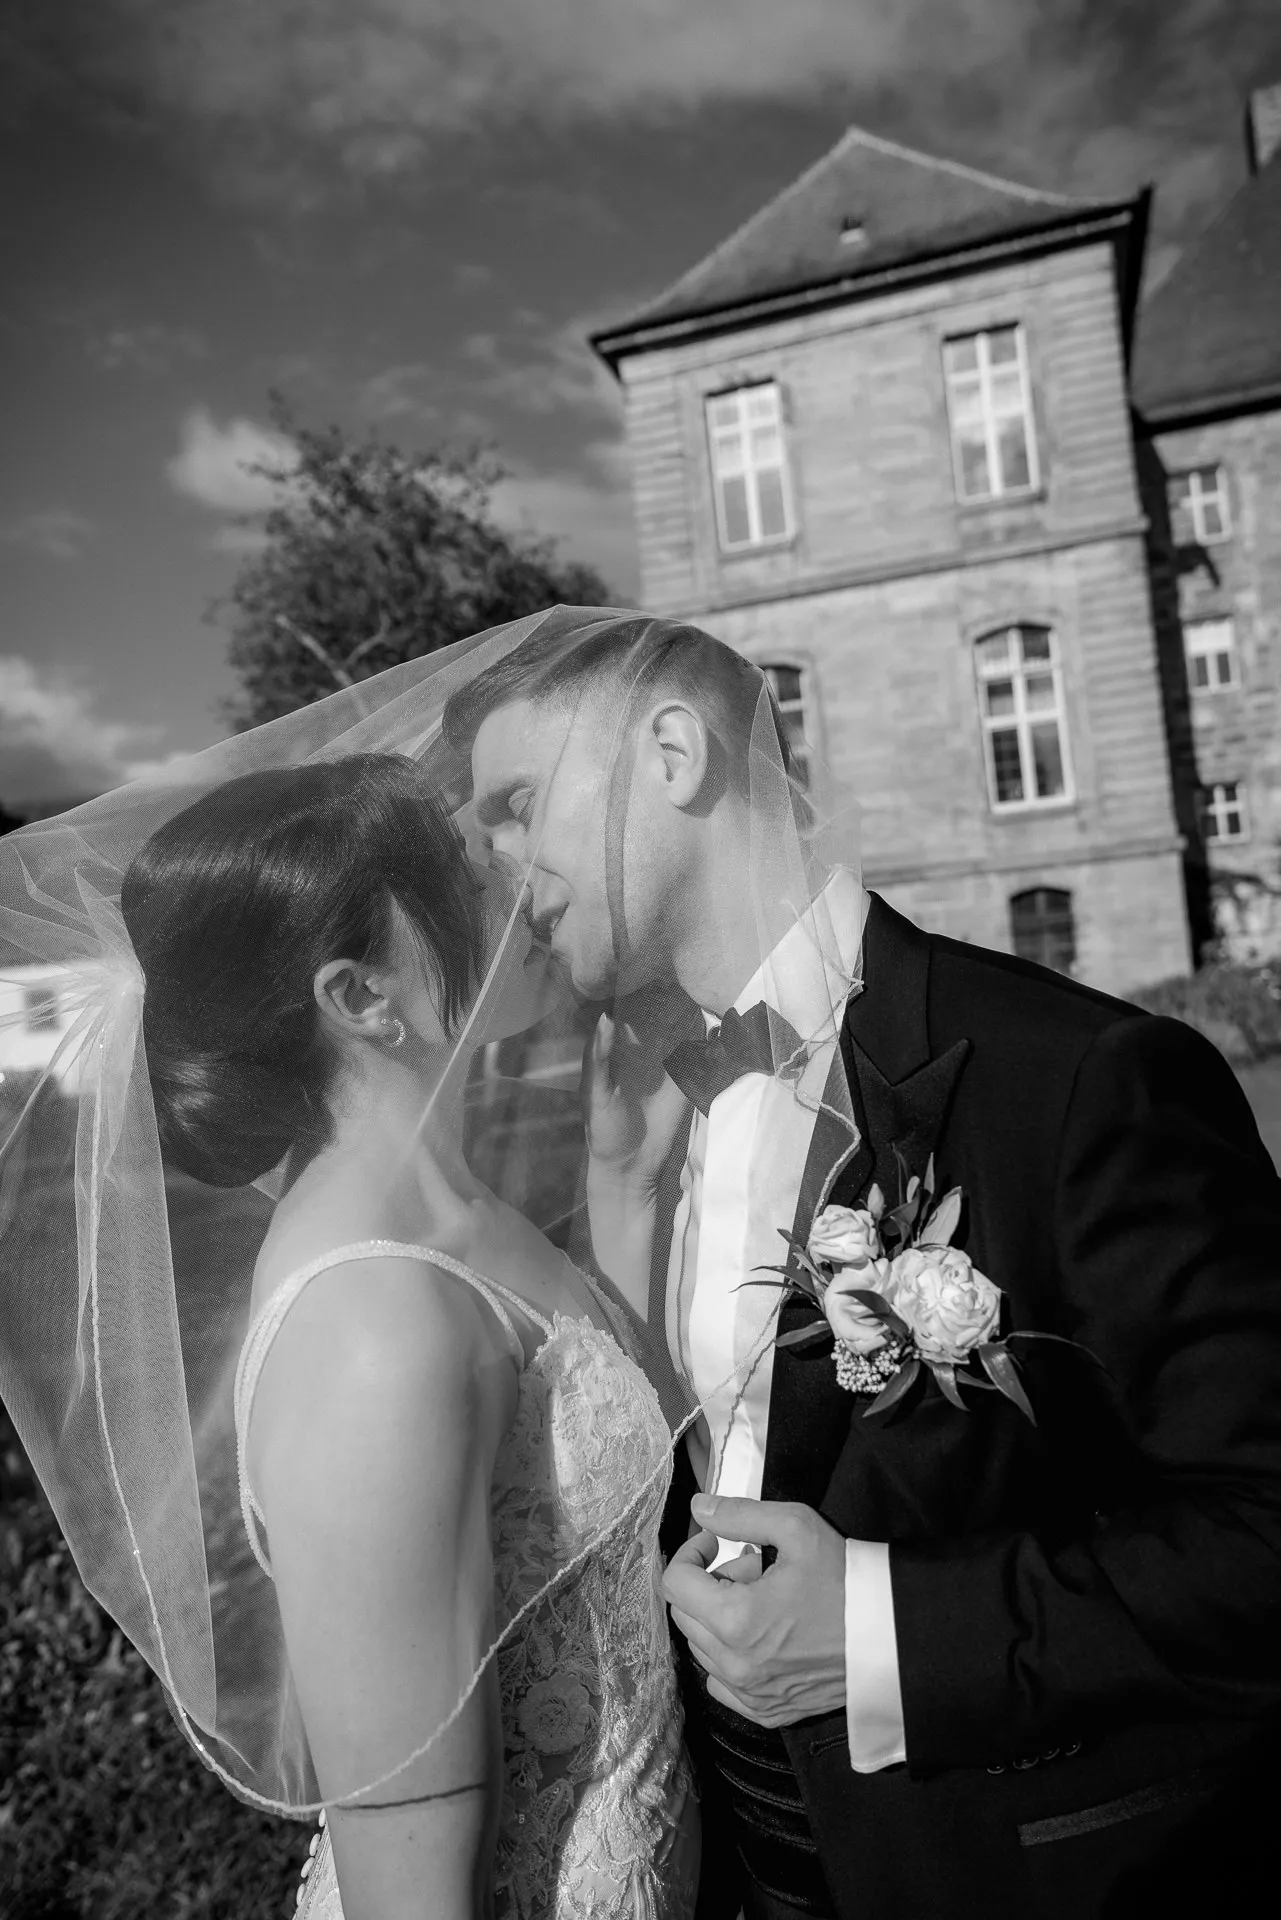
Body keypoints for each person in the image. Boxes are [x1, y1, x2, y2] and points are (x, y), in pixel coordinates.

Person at [446, 609, 1281, 1919]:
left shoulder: (1076, 1080)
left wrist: (887, 1630)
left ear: (673, 753)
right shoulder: (648, 1119)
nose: (497, 867)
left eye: (517, 804)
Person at [0, 619, 760, 1920]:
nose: (522, 878)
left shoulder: (453, 1218)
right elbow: (410, 1864)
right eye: (468, 873)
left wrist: (627, 1181)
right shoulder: (370, 1330)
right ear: (362, 1000)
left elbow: (585, 1452)